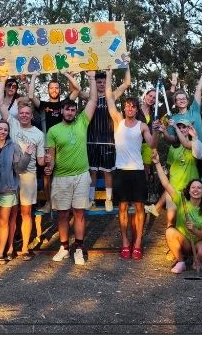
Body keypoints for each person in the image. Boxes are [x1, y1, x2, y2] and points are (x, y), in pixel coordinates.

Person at [44, 70, 99, 265]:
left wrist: (91, 77)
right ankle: (64, 248)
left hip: (81, 175)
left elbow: (93, 100)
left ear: (76, 112)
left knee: (79, 213)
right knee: (62, 214)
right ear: (62, 111)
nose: (70, 113)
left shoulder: (82, 122)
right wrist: (49, 166)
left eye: (73, 110)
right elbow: (51, 156)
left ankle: (79, 249)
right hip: (61, 177)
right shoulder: (53, 131)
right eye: (67, 110)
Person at [106, 68, 156, 259]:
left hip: (137, 171)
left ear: (136, 110)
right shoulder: (118, 121)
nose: (130, 109)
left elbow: (152, 144)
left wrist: (157, 131)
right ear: (124, 108)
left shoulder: (142, 126)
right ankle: (125, 243)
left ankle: (137, 244)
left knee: (140, 208)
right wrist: (110, 72)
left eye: (133, 107)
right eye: (127, 106)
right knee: (123, 208)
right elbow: (109, 98)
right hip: (121, 171)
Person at [0, 79, 47, 261]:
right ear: (18, 114)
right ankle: (9, 247)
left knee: (26, 213)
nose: (24, 115)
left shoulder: (39, 134)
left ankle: (25, 248)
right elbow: (0, 103)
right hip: (11, 175)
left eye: (27, 113)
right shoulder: (12, 123)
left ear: (31, 115)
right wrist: (2, 81)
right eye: (22, 113)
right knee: (10, 213)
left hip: (28, 176)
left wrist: (48, 160)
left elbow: (40, 162)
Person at [75, 69, 131, 211]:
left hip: (108, 141)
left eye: (103, 82)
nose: (101, 84)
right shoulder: (90, 96)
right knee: (92, 172)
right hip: (91, 140)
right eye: (98, 82)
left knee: (107, 172)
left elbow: (126, 83)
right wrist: (72, 75)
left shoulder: (112, 95)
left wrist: (126, 65)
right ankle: (91, 199)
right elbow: (76, 91)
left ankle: (108, 200)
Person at [152, 151, 202, 274]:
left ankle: (197, 259)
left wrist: (194, 229)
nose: (196, 190)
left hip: (200, 241)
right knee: (170, 231)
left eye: (199, 188)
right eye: (193, 187)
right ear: (189, 191)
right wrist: (157, 163)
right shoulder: (181, 200)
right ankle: (181, 262)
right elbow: (166, 183)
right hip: (185, 242)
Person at [27, 72, 78, 213]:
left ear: (60, 90)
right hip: (47, 145)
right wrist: (34, 76)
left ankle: (68, 204)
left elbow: (77, 90)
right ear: (48, 90)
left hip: (64, 145)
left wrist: (67, 75)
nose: (54, 90)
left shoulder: (64, 104)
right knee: (47, 174)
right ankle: (49, 202)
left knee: (65, 174)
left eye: (56, 88)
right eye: (51, 88)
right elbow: (31, 96)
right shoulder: (43, 105)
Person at [0, 120, 32, 265]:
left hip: (8, 191)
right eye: (0, 129)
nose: (3, 132)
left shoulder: (13, 146)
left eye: (5, 130)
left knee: (4, 223)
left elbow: (19, 169)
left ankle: (0, 253)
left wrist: (27, 155)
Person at [168, 57, 202, 144]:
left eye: (184, 98)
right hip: (186, 149)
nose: (182, 100)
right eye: (179, 99)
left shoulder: (194, 110)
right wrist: (164, 131)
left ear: (187, 101)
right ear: (175, 102)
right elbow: (172, 139)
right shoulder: (173, 118)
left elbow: (198, 89)